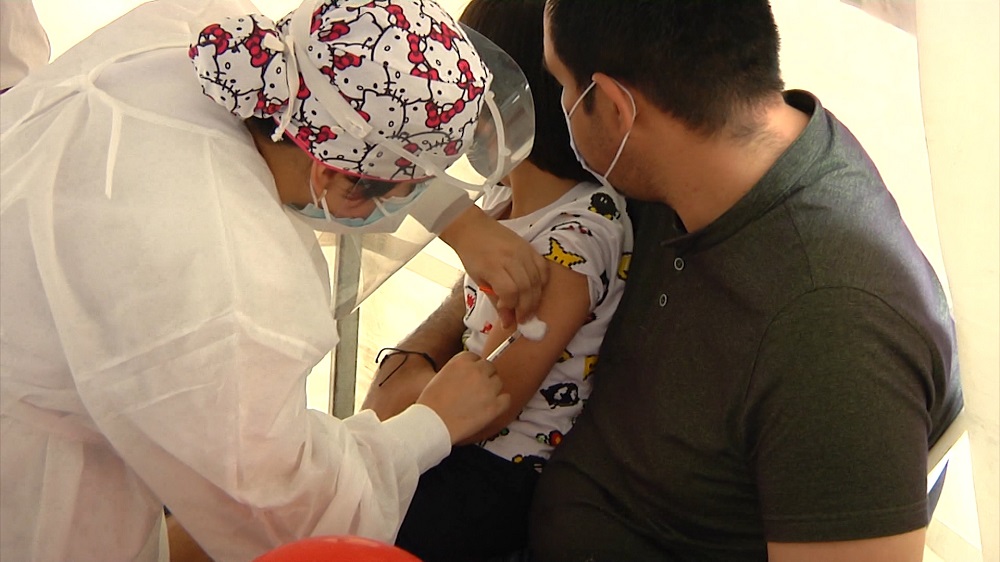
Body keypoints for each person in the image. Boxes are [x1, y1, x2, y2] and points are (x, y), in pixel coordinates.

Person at [371, 1, 965, 560]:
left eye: (561, 86)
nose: (555, 110)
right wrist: (419, 357)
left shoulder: (836, 339)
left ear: (615, 106)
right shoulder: (669, 159)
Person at [0, 0, 549, 560]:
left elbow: (354, 110)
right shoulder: (222, 288)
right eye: (409, 192)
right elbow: (283, 512)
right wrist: (429, 425)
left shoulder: (226, 47)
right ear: (331, 176)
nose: (407, 206)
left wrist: (457, 219)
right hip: (34, 497)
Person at [362, 0, 632, 559]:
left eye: (462, 89)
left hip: (487, 479)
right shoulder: (502, 198)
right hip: (448, 441)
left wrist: (404, 391)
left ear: (506, 97)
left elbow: (494, 401)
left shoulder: (581, 231)